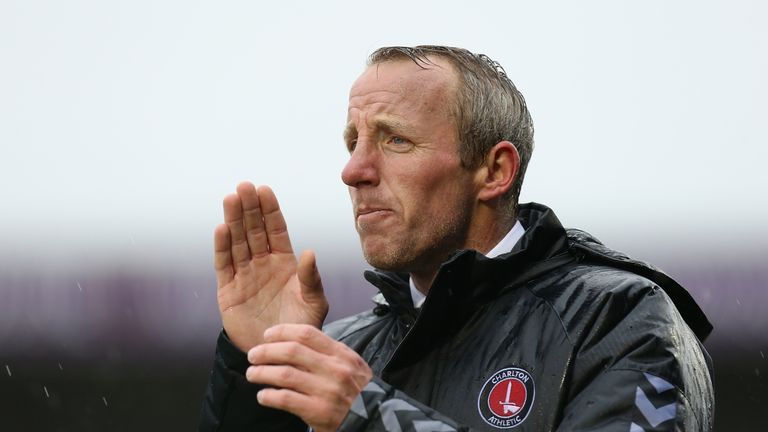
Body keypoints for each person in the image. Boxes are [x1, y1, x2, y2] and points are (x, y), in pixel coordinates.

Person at [199, 45, 714, 432]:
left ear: (494, 171)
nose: (353, 171)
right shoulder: (341, 353)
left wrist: (370, 416)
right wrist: (259, 363)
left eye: (395, 139)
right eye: (353, 142)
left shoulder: (617, 317)